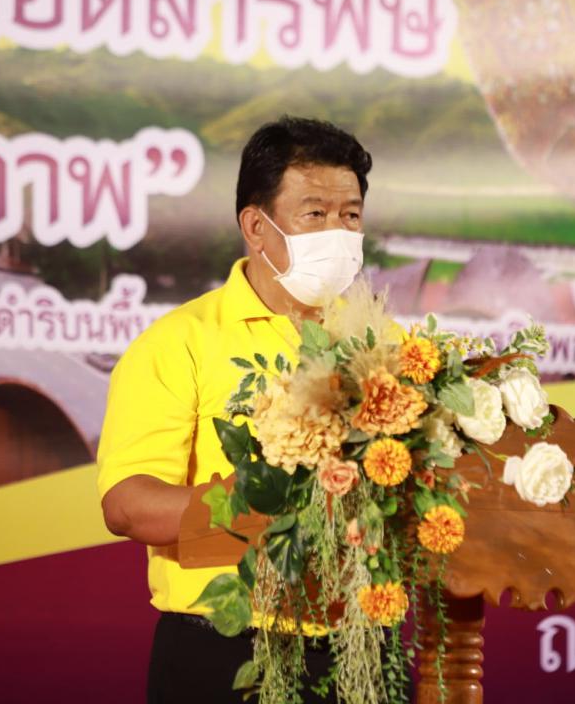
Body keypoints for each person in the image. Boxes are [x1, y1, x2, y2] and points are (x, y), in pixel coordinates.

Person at [97, 116, 372, 704]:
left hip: (361, 647)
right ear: (255, 225)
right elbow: (127, 504)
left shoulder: (384, 345)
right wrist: (265, 509)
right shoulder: (180, 342)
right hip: (224, 651)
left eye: (350, 215)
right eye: (315, 213)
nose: (338, 232)